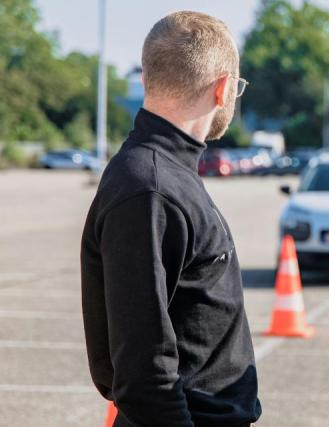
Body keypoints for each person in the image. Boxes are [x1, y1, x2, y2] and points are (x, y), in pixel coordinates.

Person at [80, 11, 260, 427]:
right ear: (223, 89)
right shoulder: (150, 188)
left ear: (146, 78)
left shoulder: (166, 174)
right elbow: (144, 371)